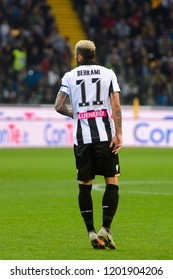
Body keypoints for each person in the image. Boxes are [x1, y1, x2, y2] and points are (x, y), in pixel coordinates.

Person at [55, 40, 122, 249]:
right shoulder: (108, 73)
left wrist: (77, 115)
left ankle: (91, 232)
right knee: (112, 181)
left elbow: (58, 106)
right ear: (93, 55)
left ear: (80, 57)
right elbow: (116, 105)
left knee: (85, 186)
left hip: (82, 140)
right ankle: (106, 229)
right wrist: (118, 133)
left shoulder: (69, 76)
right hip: (105, 137)